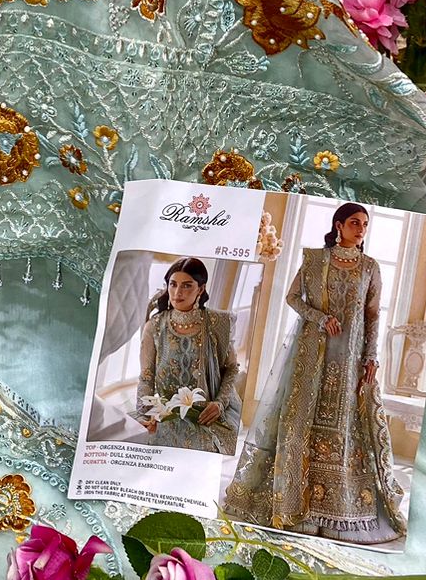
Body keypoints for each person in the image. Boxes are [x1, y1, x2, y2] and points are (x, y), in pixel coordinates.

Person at [223, 204, 408, 542]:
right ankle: (293, 501)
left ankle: (337, 507)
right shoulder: (314, 259)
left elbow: (372, 316)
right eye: (355, 223)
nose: (361, 229)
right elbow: (293, 298)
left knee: (346, 422)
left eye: (365, 224)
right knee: (299, 420)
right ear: (339, 225)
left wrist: (371, 357)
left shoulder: (370, 267)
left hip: (350, 358)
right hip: (310, 353)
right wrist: (320, 318)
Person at [135, 258, 241, 454]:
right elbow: (147, 376)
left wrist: (219, 404)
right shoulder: (155, 326)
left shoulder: (218, 322)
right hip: (169, 415)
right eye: (173, 284)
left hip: (208, 415)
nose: (177, 292)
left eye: (187, 286)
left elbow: (232, 368)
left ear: (200, 289)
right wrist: (144, 415)